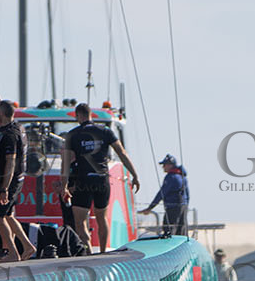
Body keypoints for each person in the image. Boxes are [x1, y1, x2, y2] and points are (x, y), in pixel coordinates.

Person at [60, 102, 142, 254]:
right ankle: (103, 252)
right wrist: (134, 175)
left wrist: (64, 186)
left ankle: (89, 252)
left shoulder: (72, 135)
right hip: (102, 180)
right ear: (91, 115)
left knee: (80, 222)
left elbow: (66, 163)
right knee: (101, 218)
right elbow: (122, 152)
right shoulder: (105, 131)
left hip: (83, 181)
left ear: (77, 116)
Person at [0, 92, 35, 261]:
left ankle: (13, 252)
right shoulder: (6, 127)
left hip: (8, 180)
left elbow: (11, 162)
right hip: (1, 179)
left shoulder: (10, 134)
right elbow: (3, 106)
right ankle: (27, 246)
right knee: (8, 215)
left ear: (1, 114)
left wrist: (4, 188)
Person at [145, 155, 191, 235]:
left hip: (172, 208)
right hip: (183, 206)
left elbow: (162, 193)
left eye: (164, 165)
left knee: (169, 229)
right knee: (181, 230)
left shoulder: (171, 177)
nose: (163, 167)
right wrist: (185, 205)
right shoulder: (183, 177)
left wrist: (150, 207)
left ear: (170, 165)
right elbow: (187, 195)